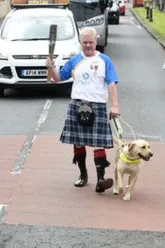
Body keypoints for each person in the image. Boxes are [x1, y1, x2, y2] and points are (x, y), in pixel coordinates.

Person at [45, 27, 120, 193]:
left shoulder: (104, 60)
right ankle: (83, 175)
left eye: (91, 42)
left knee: (98, 143)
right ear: (80, 43)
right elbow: (58, 79)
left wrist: (115, 105)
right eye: (85, 42)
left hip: (98, 104)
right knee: (78, 142)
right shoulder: (74, 60)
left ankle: (101, 179)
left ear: (96, 42)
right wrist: (51, 68)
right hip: (78, 104)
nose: (88, 45)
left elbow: (111, 83)